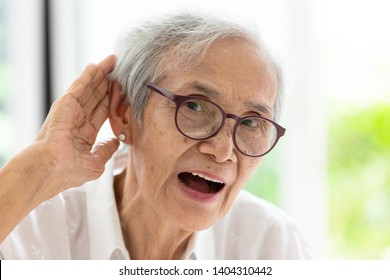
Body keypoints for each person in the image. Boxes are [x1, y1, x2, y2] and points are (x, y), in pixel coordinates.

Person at [0, 11, 315, 259]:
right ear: (124, 111)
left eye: (251, 124)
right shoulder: (28, 228)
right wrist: (43, 164)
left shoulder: (272, 245)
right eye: (195, 106)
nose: (222, 151)